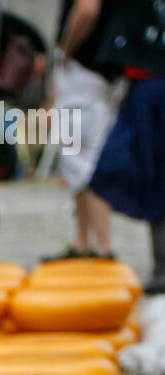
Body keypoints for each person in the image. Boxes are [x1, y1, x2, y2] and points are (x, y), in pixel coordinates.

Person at [88, 0, 165, 292]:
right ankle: (161, 262)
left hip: (151, 90)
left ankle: (162, 263)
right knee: (146, 173)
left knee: (152, 173)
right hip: (142, 87)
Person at [45, 0, 119, 261]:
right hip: (96, 73)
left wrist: (66, 50)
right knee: (81, 159)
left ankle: (101, 247)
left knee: (83, 160)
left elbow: (87, 8)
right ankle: (84, 243)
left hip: (83, 71)